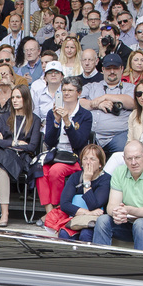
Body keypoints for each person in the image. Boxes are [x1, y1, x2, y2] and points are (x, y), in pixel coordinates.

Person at [0, 82, 40, 226]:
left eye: (18, 97)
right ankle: (4, 213)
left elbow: (32, 146)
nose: (15, 100)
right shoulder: (5, 117)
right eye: (13, 98)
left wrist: (5, 142)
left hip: (21, 159)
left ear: (26, 99)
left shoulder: (34, 119)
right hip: (4, 157)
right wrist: (15, 143)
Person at [40, 76, 91, 214]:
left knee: (56, 171)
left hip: (74, 157)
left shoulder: (85, 115)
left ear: (79, 93)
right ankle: (50, 212)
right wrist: (56, 122)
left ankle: (59, 208)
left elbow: (79, 143)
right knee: (40, 170)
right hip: (56, 154)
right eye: (64, 90)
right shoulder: (52, 113)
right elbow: (49, 142)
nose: (66, 93)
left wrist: (67, 123)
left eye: (70, 90)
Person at [45, 143, 112, 242]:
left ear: (100, 163)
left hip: (94, 222)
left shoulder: (106, 179)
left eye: (92, 159)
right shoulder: (75, 177)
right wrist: (87, 213)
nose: (88, 162)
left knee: (86, 234)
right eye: (85, 159)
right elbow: (64, 204)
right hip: (76, 219)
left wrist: (87, 182)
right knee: (64, 233)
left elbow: (94, 205)